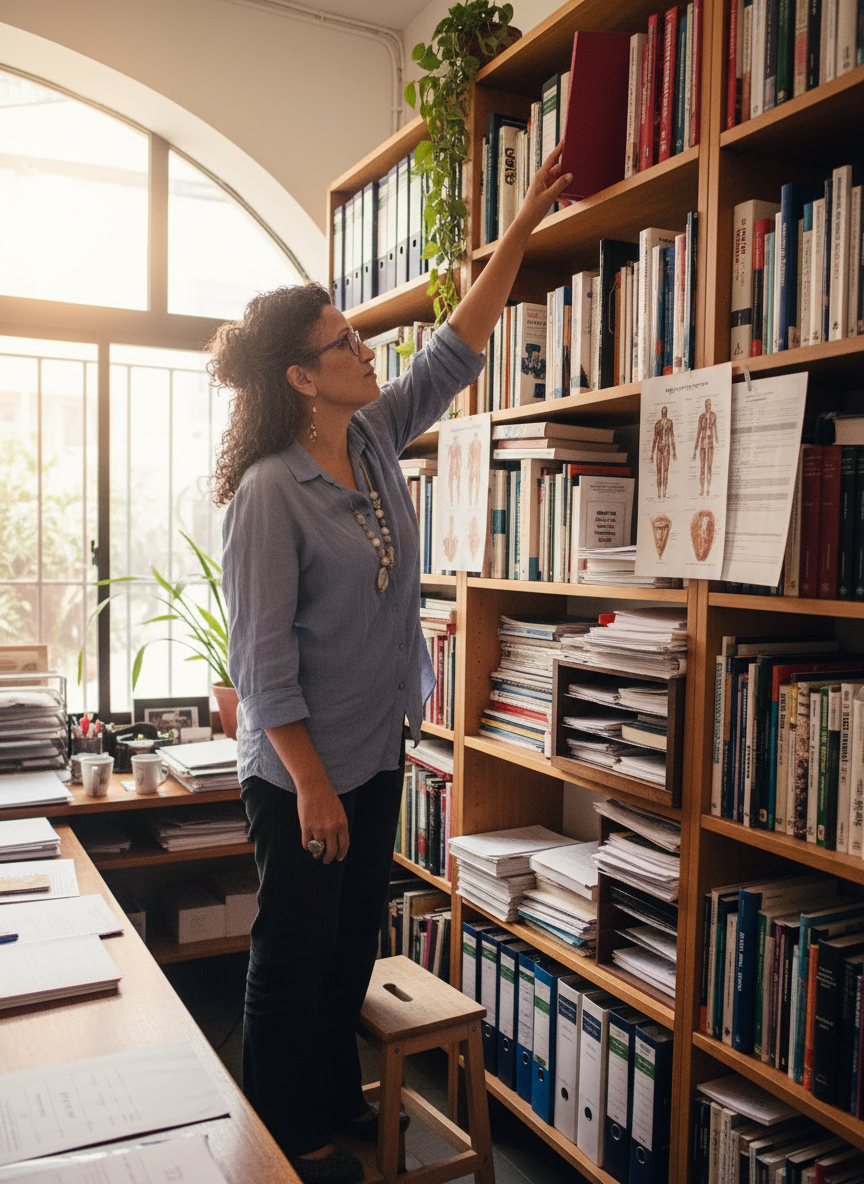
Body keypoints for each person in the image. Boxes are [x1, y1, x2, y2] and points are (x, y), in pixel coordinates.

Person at [208, 144, 573, 1184]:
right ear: (300, 375)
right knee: (293, 955)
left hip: (371, 747)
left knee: (351, 947)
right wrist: (312, 781)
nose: (365, 345)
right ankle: (276, 1137)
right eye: (343, 340)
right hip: (299, 771)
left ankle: (328, 1107)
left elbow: (454, 349)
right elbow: (262, 656)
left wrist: (523, 229)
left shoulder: (369, 439)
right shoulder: (266, 493)